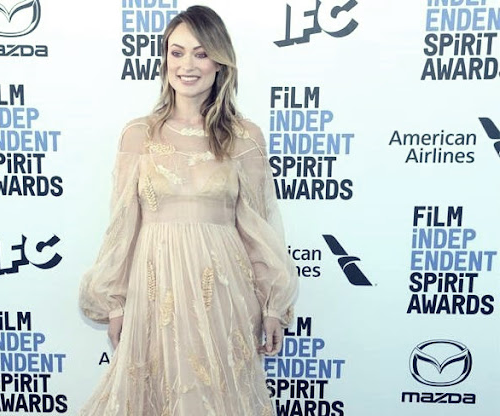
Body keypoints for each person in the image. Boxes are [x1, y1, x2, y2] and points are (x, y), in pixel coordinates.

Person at [78, 5, 298, 415]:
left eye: (201, 53)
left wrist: (272, 305)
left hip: (223, 293)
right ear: (164, 60)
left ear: (220, 62)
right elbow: (122, 226)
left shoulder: (244, 137)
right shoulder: (138, 135)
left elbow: (259, 227)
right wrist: (116, 301)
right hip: (154, 288)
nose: (187, 65)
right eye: (176, 52)